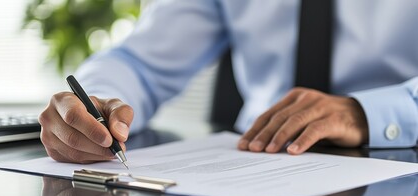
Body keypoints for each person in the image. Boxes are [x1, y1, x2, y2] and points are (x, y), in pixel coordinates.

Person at [38, 0, 418, 163]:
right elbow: (140, 62)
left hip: (399, 156)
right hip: (257, 159)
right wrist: (101, 102)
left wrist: (366, 112)